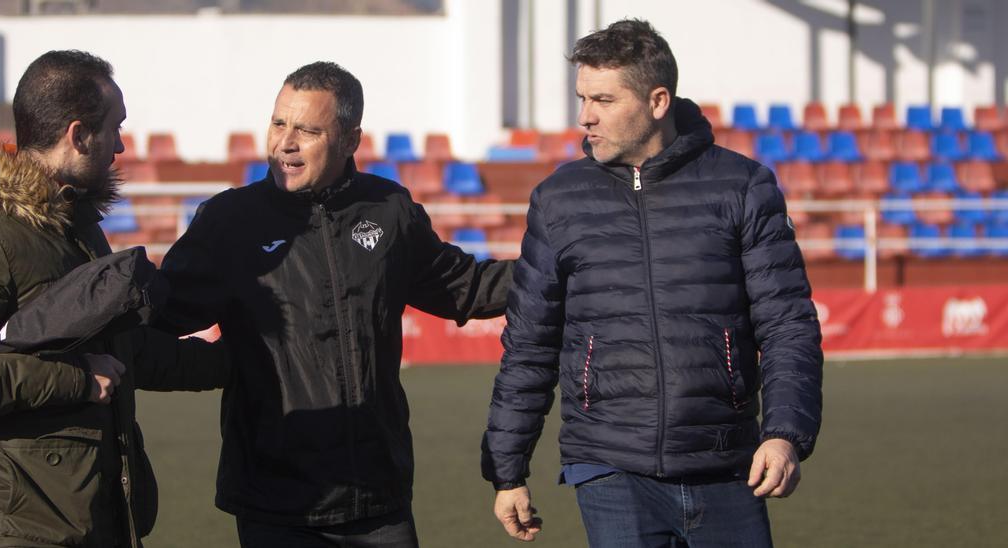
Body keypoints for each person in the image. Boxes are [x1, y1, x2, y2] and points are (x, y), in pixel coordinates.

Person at [481, 19, 823, 547]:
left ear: (658, 100)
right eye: (582, 98)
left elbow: (787, 325)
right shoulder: (558, 200)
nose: (585, 117)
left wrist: (783, 435)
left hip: (728, 464)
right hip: (608, 468)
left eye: (603, 100)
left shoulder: (743, 185)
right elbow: (529, 343)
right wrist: (508, 471)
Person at [157, 61, 514, 547]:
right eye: (279, 123)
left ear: (350, 140)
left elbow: (467, 287)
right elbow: (159, 312)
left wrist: (566, 268)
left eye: (307, 129)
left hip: (377, 497)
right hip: (275, 502)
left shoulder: (389, 210)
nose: (286, 142)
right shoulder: (229, 221)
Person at [0, 50, 228, 548]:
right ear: (78, 135)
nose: (121, 145)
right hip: (23, 525)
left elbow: (124, 352)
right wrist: (75, 381)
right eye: (115, 127)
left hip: (86, 514)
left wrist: (234, 364)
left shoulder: (71, 223)